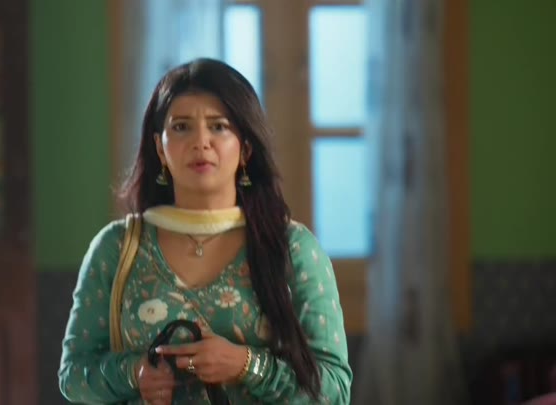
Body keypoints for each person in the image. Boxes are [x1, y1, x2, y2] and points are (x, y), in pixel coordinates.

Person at [58, 58, 352, 404]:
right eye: (182, 127)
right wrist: (134, 373)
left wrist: (247, 365)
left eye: (219, 127)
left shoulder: (293, 249)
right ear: (160, 148)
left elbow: (334, 390)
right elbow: (73, 376)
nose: (201, 142)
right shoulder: (118, 247)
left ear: (245, 148)